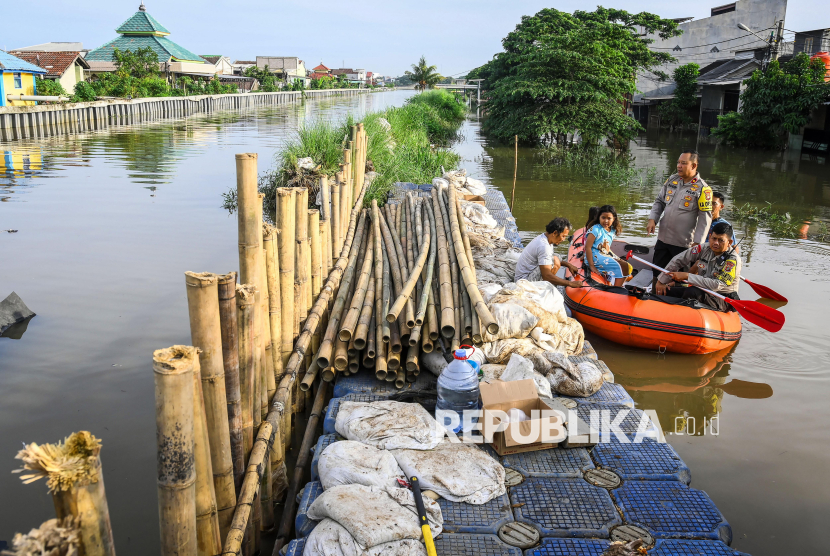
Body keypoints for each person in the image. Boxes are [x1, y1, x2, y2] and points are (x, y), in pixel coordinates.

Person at [647, 150, 713, 287]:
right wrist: (652, 219)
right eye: (678, 162)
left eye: (683, 163)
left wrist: (698, 243)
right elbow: (659, 201)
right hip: (663, 239)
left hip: (683, 244)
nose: (679, 166)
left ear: (694, 166)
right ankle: (654, 297)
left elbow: (704, 218)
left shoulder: (703, 189)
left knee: (678, 279)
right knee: (657, 271)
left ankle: (676, 303)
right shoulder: (672, 180)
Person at [655, 221, 741, 312]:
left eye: (721, 240)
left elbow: (717, 285)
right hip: (703, 290)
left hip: (722, 296)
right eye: (714, 238)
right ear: (710, 236)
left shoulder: (732, 261)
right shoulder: (705, 248)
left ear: (729, 242)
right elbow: (680, 259)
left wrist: (687, 276)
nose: (716, 243)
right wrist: (662, 280)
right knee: (667, 291)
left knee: (692, 292)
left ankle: (681, 316)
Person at [514, 217, 584, 287]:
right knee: (554, 261)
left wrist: (569, 265)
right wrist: (570, 283)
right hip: (523, 283)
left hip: (525, 276)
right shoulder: (544, 246)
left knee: (556, 257)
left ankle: (549, 284)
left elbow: (551, 256)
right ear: (555, 233)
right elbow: (546, 276)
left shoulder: (545, 238)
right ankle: (546, 287)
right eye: (563, 236)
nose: (563, 239)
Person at [585, 205, 631, 287]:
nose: (606, 221)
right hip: (595, 256)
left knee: (628, 266)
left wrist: (616, 257)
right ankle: (616, 290)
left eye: (609, 218)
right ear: (599, 217)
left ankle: (616, 287)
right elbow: (588, 247)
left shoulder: (612, 230)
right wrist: (591, 266)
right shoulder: (595, 229)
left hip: (603, 254)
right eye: (603, 218)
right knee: (624, 267)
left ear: (614, 219)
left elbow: (606, 248)